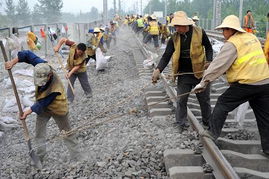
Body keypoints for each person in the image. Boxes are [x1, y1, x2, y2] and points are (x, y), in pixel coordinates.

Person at [193, 15, 269, 157]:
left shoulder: (233, 43)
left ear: (230, 30)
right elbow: (243, 61)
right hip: (265, 82)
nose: (223, 34)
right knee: (264, 117)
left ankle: (211, 134)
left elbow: (218, 65)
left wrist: (204, 82)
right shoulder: (252, 38)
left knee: (223, 103)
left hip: (247, 83)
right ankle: (268, 148)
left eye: (224, 30)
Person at [4, 50, 81, 162]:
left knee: (66, 133)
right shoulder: (42, 65)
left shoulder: (55, 88)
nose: (41, 83)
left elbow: (42, 103)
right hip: (43, 109)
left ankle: (76, 155)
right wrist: (12, 62)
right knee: (39, 134)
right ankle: (40, 157)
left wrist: (27, 111)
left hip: (58, 109)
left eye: (43, 81)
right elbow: (27, 54)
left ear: (49, 75)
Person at [152, 11, 213, 132]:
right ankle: (181, 123)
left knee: (204, 99)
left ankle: (207, 122)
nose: (176, 28)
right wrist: (158, 70)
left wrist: (209, 60)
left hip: (199, 72)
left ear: (186, 25)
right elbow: (166, 55)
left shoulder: (200, 32)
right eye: (175, 26)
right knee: (181, 99)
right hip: (184, 73)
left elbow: (209, 47)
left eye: (178, 26)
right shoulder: (174, 38)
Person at [54, 38, 92, 102]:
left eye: (81, 53)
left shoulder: (84, 56)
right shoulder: (73, 45)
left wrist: (69, 73)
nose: (80, 54)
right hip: (71, 67)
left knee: (84, 83)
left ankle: (89, 94)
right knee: (70, 83)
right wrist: (57, 47)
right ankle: (70, 99)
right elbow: (63, 39)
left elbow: (77, 66)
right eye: (79, 52)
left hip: (81, 70)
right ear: (77, 48)